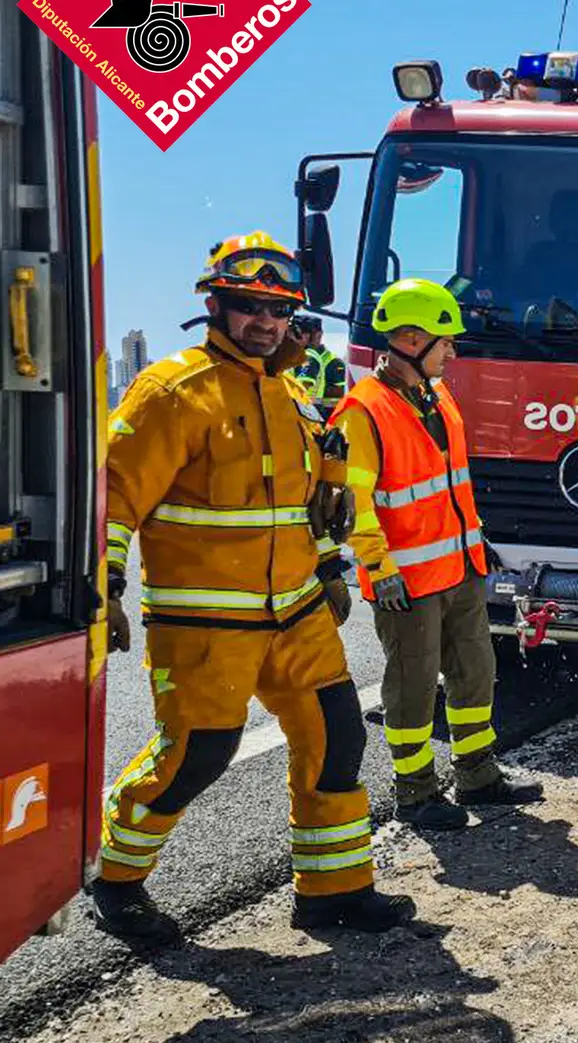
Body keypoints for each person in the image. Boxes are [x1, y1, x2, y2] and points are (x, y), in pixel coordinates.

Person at [94, 231, 414, 938]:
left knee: (335, 739)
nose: (263, 321)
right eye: (247, 305)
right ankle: (116, 883)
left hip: (296, 612)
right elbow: (115, 496)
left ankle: (333, 890)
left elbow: (316, 504)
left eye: (277, 308)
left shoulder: (295, 395)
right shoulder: (172, 392)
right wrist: (105, 582)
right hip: (205, 625)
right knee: (195, 757)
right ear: (215, 304)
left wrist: (331, 567)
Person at [330, 278, 541, 830]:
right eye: (444, 340)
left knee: (476, 672)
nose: (453, 350)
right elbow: (355, 505)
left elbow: (447, 486)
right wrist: (379, 569)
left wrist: (477, 538)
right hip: (406, 581)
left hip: (460, 568)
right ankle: (416, 792)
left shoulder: (437, 397)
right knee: (413, 685)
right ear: (408, 339)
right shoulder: (362, 411)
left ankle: (477, 774)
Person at [290, 314, 347, 419]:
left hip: (311, 414)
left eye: (301, 333)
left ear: (319, 335)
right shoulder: (296, 355)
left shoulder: (331, 362)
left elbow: (335, 401)